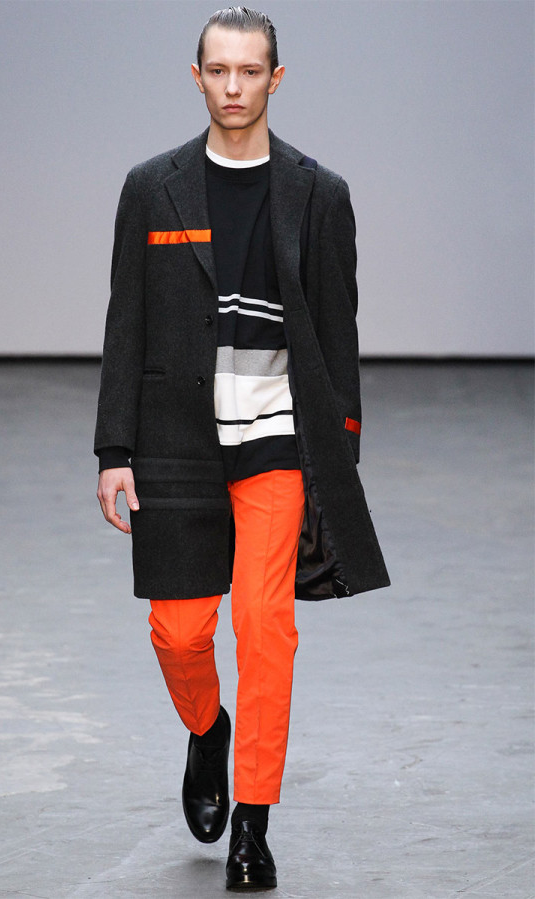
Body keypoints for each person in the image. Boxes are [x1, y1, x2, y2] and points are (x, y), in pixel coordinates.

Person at [95, 6, 389, 892]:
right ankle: (207, 727)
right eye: (218, 71)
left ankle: (253, 825)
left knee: (267, 630)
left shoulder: (318, 193)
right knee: (179, 630)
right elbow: (125, 319)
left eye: (249, 71)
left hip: (277, 439)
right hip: (174, 437)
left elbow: (338, 330)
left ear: (275, 78)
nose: (233, 87)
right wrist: (114, 448)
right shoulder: (152, 188)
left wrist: (339, 454)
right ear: (197, 78)